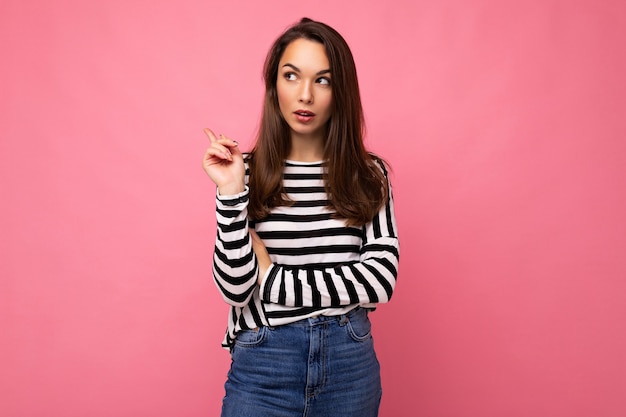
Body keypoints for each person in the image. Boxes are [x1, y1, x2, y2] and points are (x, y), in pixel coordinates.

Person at [202, 17, 399, 417]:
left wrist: (272, 277)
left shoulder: (367, 174)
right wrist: (229, 192)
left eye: (322, 80)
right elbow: (236, 289)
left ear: (340, 91)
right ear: (274, 85)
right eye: (291, 76)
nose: (305, 94)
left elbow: (380, 280)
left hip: (349, 365)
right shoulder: (246, 172)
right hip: (264, 362)